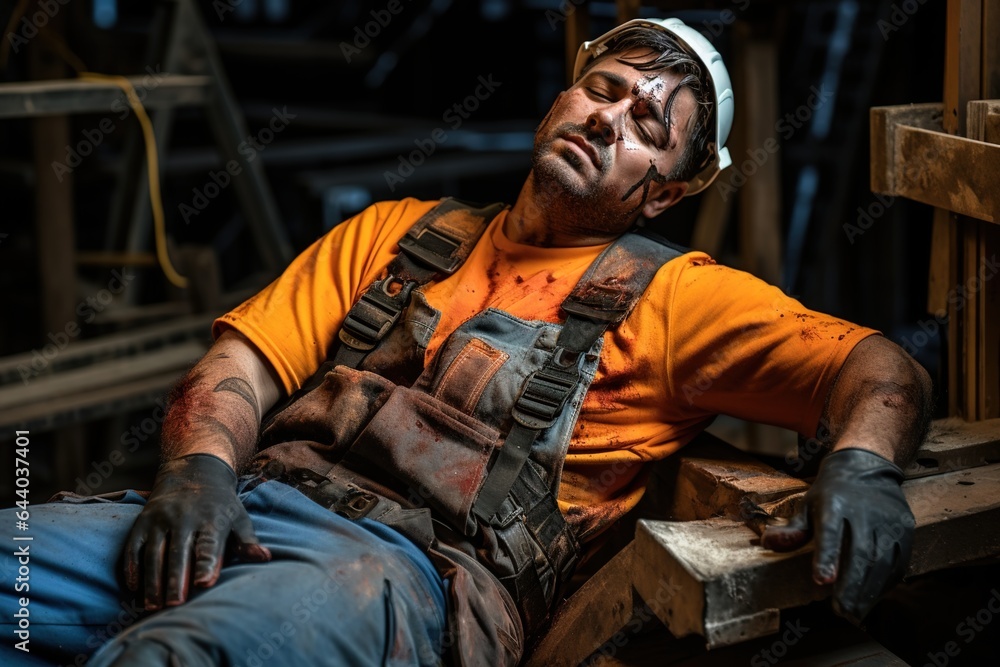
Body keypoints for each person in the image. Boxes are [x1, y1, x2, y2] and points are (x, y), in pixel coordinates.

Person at [1, 17, 930, 667]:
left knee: (172, 655)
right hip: (247, 507)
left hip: (401, 579)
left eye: (646, 124)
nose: (607, 117)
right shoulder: (396, 233)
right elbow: (240, 360)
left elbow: (879, 366)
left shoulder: (678, 298)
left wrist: (863, 464)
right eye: (602, 89)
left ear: (667, 192)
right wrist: (197, 472)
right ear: (560, 100)